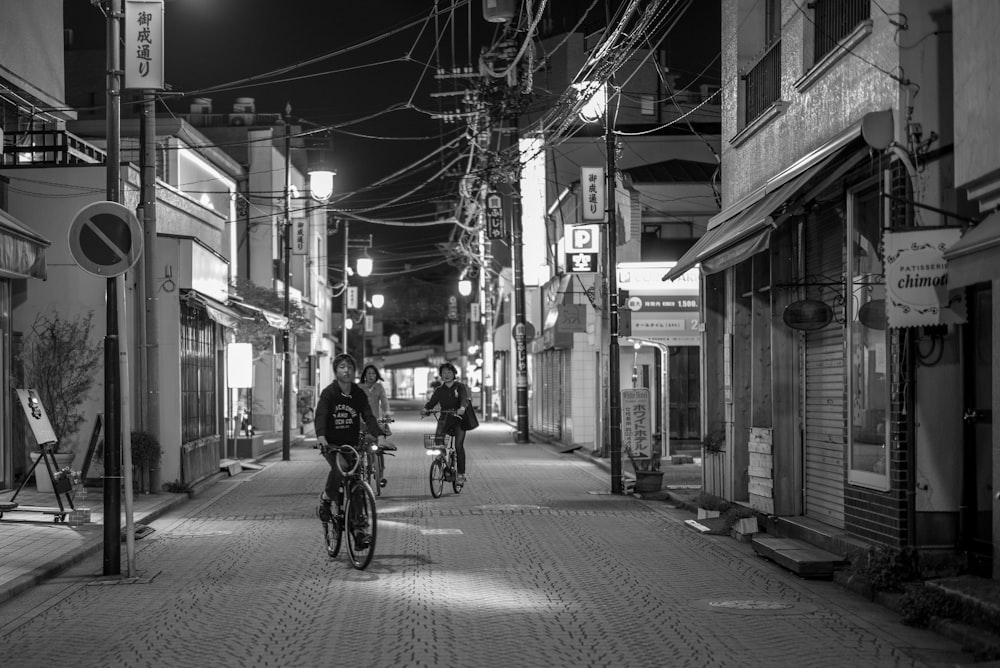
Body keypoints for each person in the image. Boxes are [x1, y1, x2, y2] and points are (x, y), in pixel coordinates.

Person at [314, 353, 386, 546]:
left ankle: (359, 530)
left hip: (352, 444)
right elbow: (320, 415)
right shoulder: (329, 393)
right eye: (342, 367)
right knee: (341, 466)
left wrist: (379, 435)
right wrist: (321, 437)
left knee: (356, 486)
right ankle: (326, 499)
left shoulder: (358, 393)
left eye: (350, 367)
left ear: (355, 371)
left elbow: (368, 416)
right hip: (332, 444)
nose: (346, 371)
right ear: (336, 371)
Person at [420, 362, 470, 485]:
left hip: (459, 419)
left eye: (449, 372)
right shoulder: (439, 390)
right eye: (443, 373)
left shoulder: (460, 386)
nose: (446, 375)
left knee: (458, 446)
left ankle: (460, 474)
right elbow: (431, 403)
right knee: (438, 442)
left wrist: (462, 408)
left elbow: (464, 399)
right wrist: (426, 410)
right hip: (444, 419)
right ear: (441, 375)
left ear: (454, 373)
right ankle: (442, 459)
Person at [360, 363, 394, 487]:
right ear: (364, 375)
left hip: (377, 421)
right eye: (369, 373)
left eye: (373, 374)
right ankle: (359, 470)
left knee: (379, 448)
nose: (371, 376)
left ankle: (381, 474)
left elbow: (384, 401)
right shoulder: (359, 387)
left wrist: (387, 414)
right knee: (361, 446)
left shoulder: (379, 387)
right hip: (361, 422)